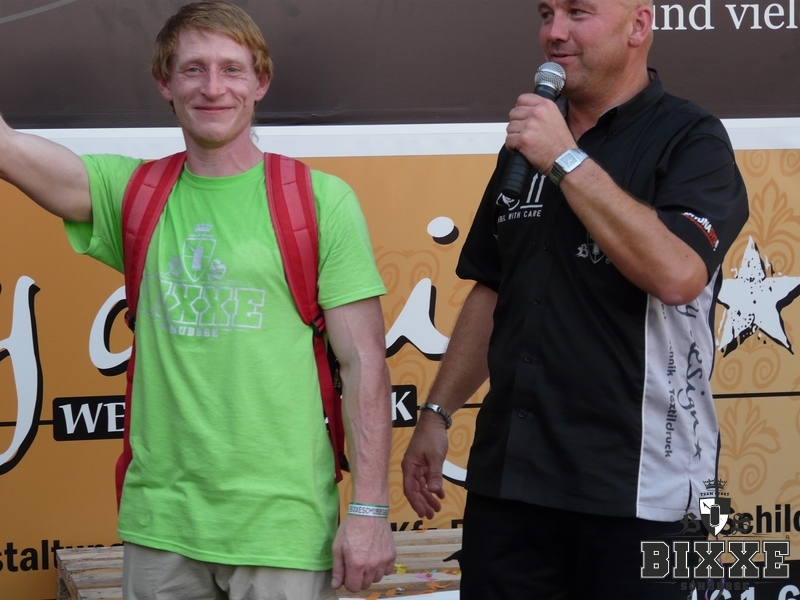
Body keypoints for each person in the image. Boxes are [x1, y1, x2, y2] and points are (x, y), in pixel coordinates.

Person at [0, 1, 395, 598]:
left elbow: (364, 365)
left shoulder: (318, 200)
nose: (213, 88)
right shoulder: (134, 193)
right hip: (161, 527)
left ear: (261, 82)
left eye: (232, 69)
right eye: (193, 69)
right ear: (165, 82)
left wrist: (368, 511)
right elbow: (7, 150)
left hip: (282, 529)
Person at [402, 0, 749, 598]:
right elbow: (494, 287)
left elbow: (677, 274)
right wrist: (437, 413)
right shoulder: (529, 142)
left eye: (578, 12)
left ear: (638, 25)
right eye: (546, 14)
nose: (554, 33)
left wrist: (565, 158)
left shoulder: (691, 138)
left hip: (640, 493)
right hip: (510, 485)